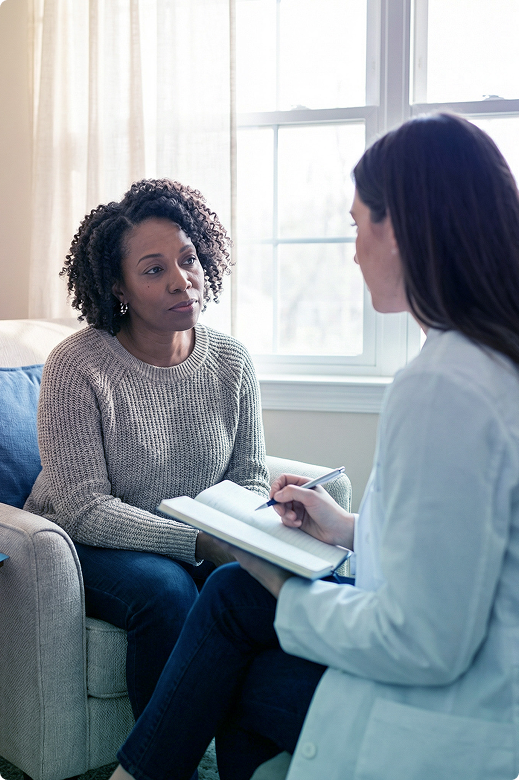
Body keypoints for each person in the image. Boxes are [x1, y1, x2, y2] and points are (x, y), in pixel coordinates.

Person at [107, 113, 519, 780]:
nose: (352, 250)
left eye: (358, 225)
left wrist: (280, 577)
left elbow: (422, 643)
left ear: (403, 230)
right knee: (233, 597)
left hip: (461, 708)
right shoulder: (485, 359)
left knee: (226, 675)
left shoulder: (444, 387)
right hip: (476, 664)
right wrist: (343, 527)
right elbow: (467, 546)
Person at [24, 178, 270, 722]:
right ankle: (160, 762)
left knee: (256, 588)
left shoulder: (232, 362)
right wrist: (198, 544)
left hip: (195, 536)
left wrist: (245, 533)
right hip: (79, 538)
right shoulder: (77, 365)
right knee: (166, 590)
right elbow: (83, 507)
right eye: (154, 269)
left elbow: (249, 477)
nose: (183, 281)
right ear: (119, 288)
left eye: (188, 260)